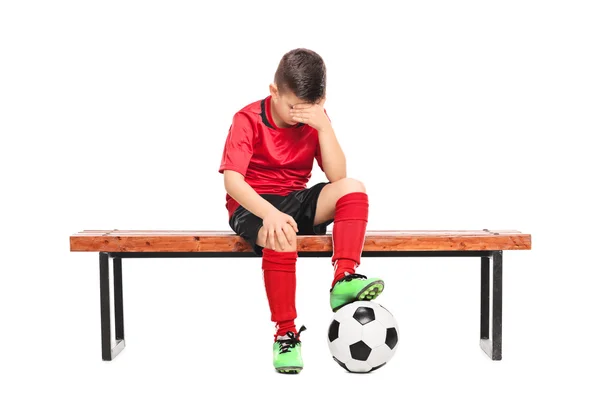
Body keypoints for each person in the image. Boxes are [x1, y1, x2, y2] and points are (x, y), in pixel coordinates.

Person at [218, 48, 384, 374]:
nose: (299, 115)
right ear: (274, 92)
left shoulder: (315, 120)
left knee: (354, 187)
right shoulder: (247, 119)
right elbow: (232, 182)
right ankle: (286, 333)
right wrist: (269, 214)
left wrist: (324, 128)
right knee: (280, 231)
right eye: (292, 106)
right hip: (253, 203)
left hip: (295, 199)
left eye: (309, 108)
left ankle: (344, 278)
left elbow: (337, 176)